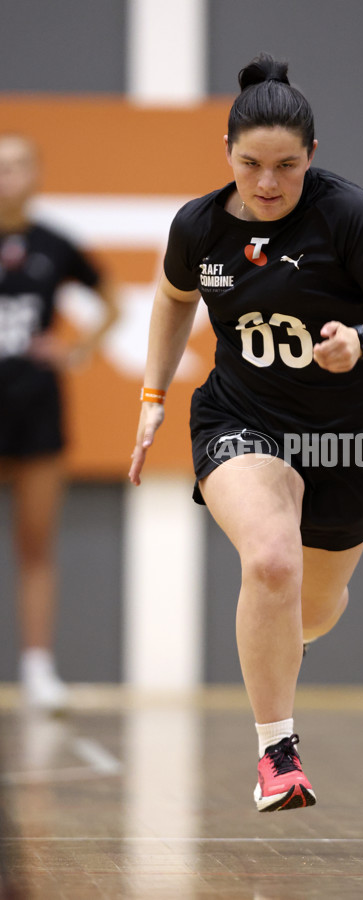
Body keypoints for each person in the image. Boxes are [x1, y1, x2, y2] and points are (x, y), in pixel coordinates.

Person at [129, 53, 363, 812]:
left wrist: (361, 341)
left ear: (314, 158)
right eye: (251, 165)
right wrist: (153, 392)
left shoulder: (347, 215)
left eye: (287, 168)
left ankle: (285, 643)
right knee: (269, 560)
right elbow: (172, 300)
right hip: (243, 415)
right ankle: (277, 754)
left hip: (344, 437)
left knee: (314, 609)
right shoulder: (199, 225)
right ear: (227, 155)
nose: (268, 184)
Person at [0, 134, 119, 712]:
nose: (8, 177)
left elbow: (111, 299)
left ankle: (38, 670)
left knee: (36, 545)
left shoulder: (54, 245)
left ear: (36, 175)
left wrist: (76, 348)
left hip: (36, 409)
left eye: (19, 166)